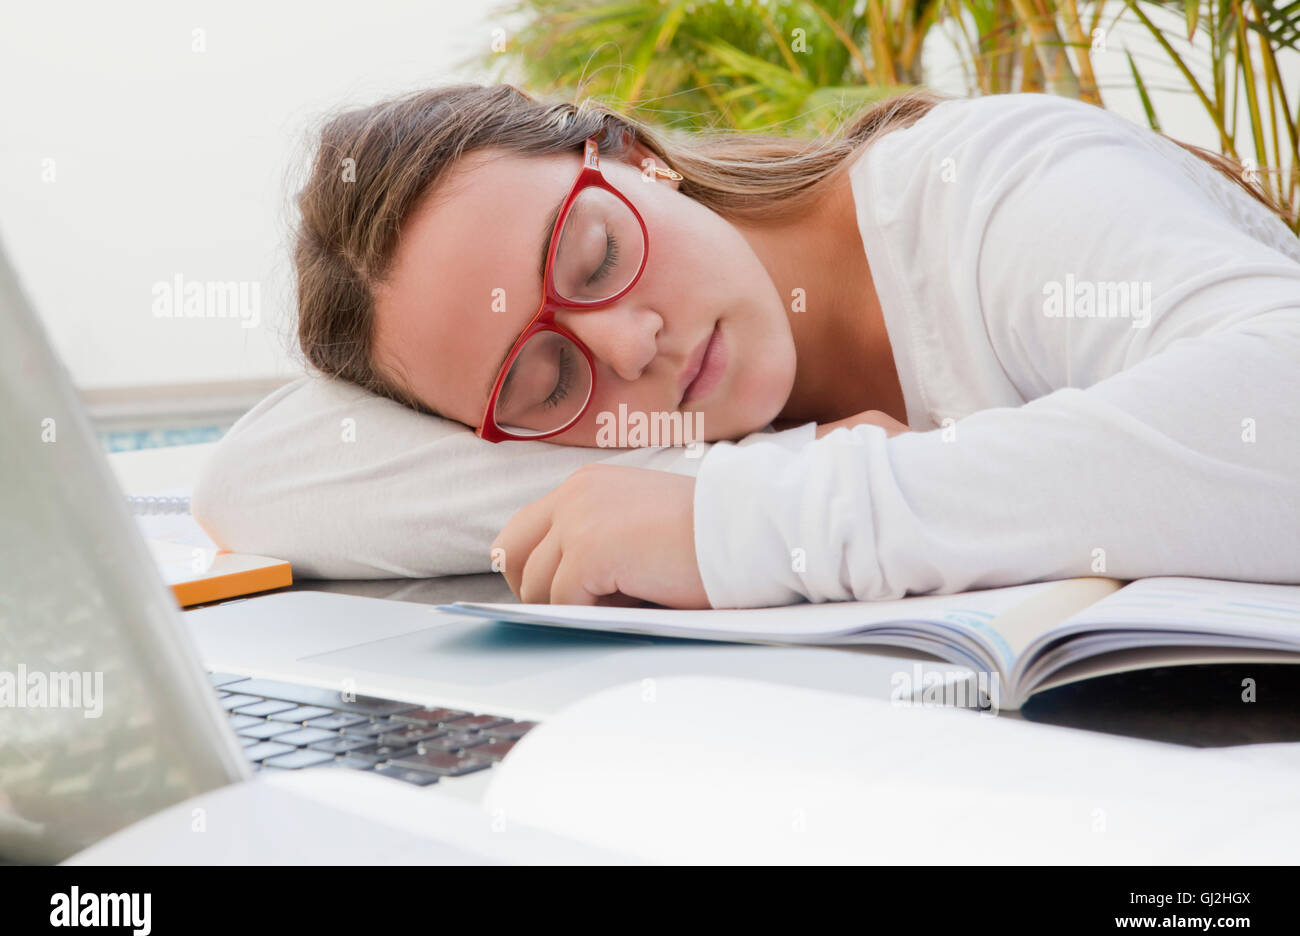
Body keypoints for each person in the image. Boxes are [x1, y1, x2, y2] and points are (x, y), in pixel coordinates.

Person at [284, 82, 1300, 608]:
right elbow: (259, 482)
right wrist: (742, 473)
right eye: (545, 376)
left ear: (637, 158)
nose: (630, 344)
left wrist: (745, 521)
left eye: (593, 256)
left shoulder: (984, 190)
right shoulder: (609, 426)